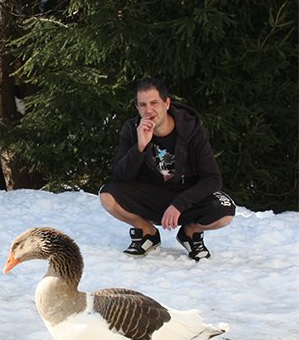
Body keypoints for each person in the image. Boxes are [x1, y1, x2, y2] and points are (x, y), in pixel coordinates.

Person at [99, 78, 235, 261]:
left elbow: (212, 178)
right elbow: (120, 177)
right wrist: (140, 147)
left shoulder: (191, 130)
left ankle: (190, 233)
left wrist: (180, 203)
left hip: (185, 198)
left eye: (154, 103)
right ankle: (147, 232)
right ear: (137, 108)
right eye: (143, 105)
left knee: (225, 211)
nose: (149, 110)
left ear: (167, 103)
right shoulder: (132, 130)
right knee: (107, 196)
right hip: (152, 195)